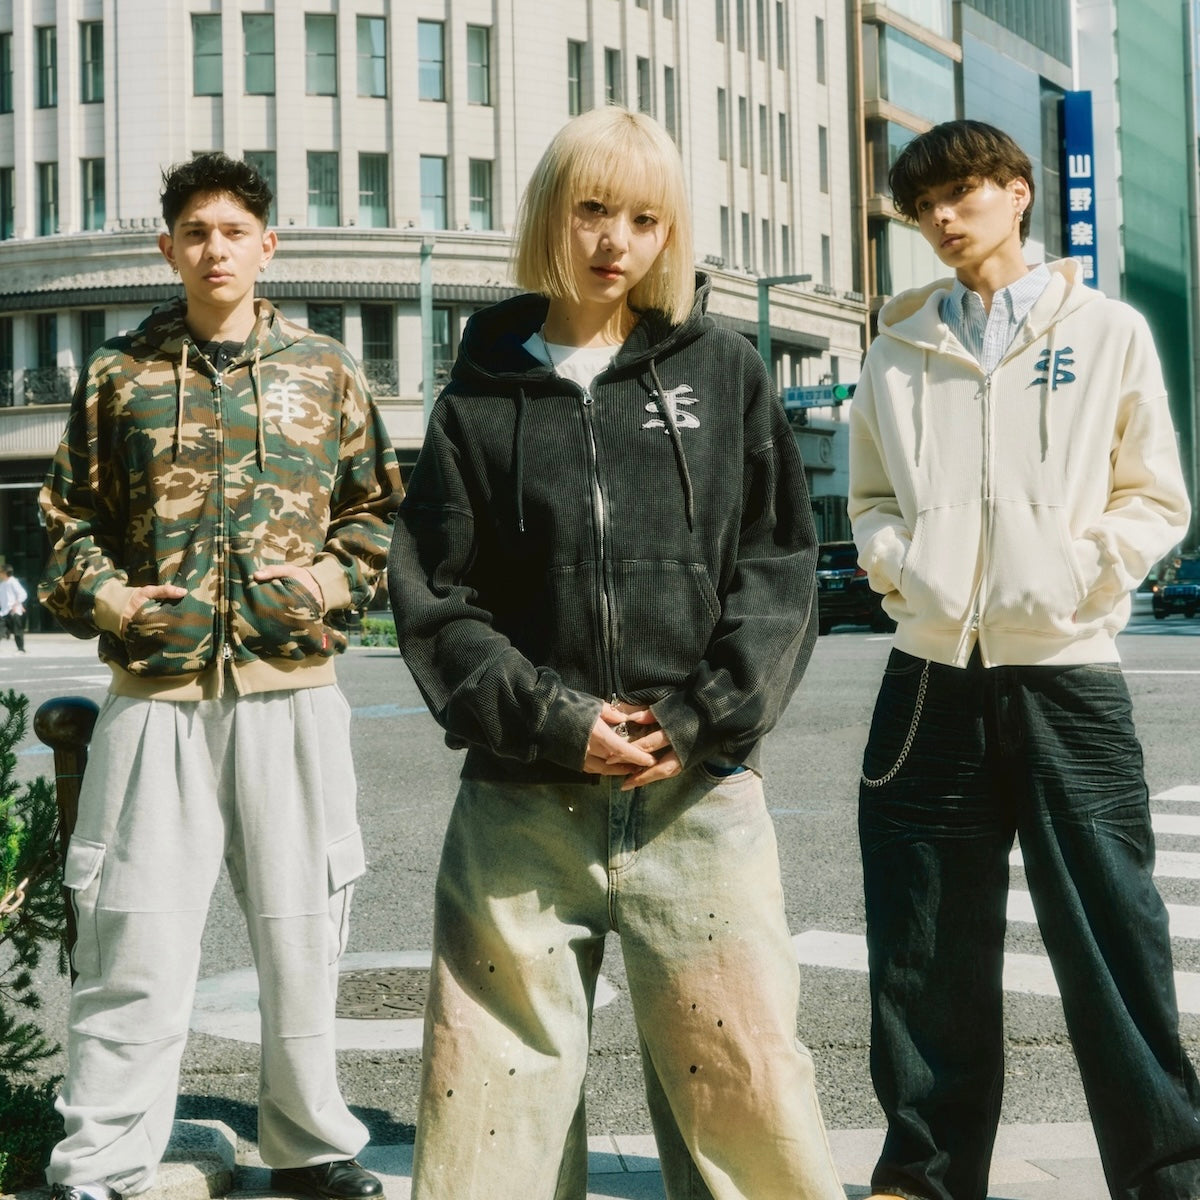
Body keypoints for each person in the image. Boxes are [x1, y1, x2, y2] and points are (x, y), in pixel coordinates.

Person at [387, 107, 844, 1200]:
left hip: (700, 792)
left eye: (645, 218)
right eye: (592, 208)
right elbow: (437, 598)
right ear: (551, 211)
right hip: (521, 800)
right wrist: (554, 720)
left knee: (747, 1093)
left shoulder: (723, 370)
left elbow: (778, 570)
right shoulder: (478, 394)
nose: (615, 240)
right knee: (490, 1099)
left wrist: (696, 719)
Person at [39, 153, 403, 1200]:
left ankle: (309, 1147)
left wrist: (328, 583)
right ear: (168, 248)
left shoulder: (324, 368)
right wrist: (113, 601)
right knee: (133, 940)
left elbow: (378, 513)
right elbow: (66, 523)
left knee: (303, 937)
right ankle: (100, 1166)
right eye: (195, 232)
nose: (215, 250)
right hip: (156, 699)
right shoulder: (119, 374)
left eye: (234, 231)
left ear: (267, 244)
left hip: (293, 694)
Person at [848, 119, 1200, 1200]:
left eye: (961, 193)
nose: (942, 218)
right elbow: (869, 497)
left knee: (1112, 934)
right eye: (923, 207)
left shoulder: (1104, 331)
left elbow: (1155, 495)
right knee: (923, 943)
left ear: (1016, 191)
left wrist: (1083, 574)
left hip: (1068, 671)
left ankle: (1167, 1176)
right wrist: (903, 568)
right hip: (930, 675)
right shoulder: (898, 349)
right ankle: (927, 1176)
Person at [0, 564, 27, 651]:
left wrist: (17, 604)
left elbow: (23, 594)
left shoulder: (13, 582)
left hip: (14, 611)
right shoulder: (2, 584)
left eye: (0, 572)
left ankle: (21, 649)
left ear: (5, 572)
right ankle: (6, 634)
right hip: (4, 611)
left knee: (17, 631)